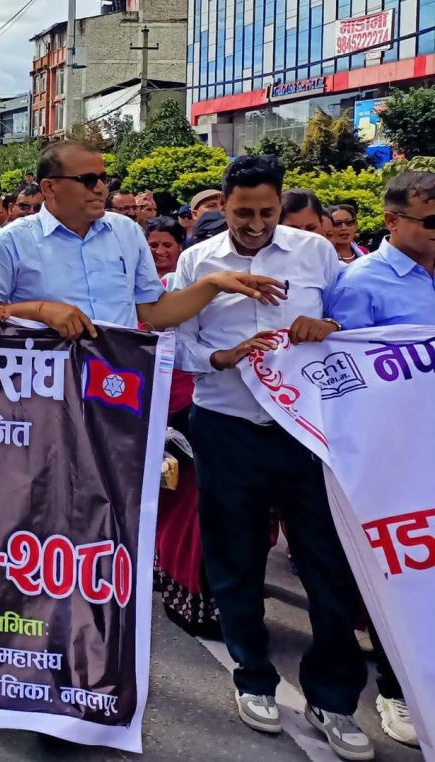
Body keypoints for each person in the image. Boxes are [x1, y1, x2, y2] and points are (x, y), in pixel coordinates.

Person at [168, 154, 372, 760]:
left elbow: (353, 323)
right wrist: (220, 358)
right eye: (241, 212)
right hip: (227, 425)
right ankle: (253, 677)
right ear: (222, 207)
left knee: (327, 564)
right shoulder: (197, 263)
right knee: (235, 560)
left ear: (280, 206)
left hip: (306, 432)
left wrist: (325, 323)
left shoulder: (314, 256)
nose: (254, 224)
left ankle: (332, 698)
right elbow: (176, 341)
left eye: (265, 211)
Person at [323, 172, 433, 749]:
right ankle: (397, 690)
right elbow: (349, 380)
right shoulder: (360, 284)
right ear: (392, 221)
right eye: (431, 221)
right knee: (399, 576)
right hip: (395, 463)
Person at [0, 142, 285, 334]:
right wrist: (40, 311)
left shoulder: (126, 231)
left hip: (115, 390)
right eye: (88, 180)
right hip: (42, 392)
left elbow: (151, 313)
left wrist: (213, 284)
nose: (100, 188)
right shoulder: (9, 243)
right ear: (50, 187)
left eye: (103, 179)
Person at [143, 215, 219, 638]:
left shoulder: (232, 294)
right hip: (165, 410)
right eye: (151, 245)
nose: (160, 252)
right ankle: (180, 586)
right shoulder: (145, 296)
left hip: (215, 409)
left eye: (166, 244)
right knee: (177, 503)